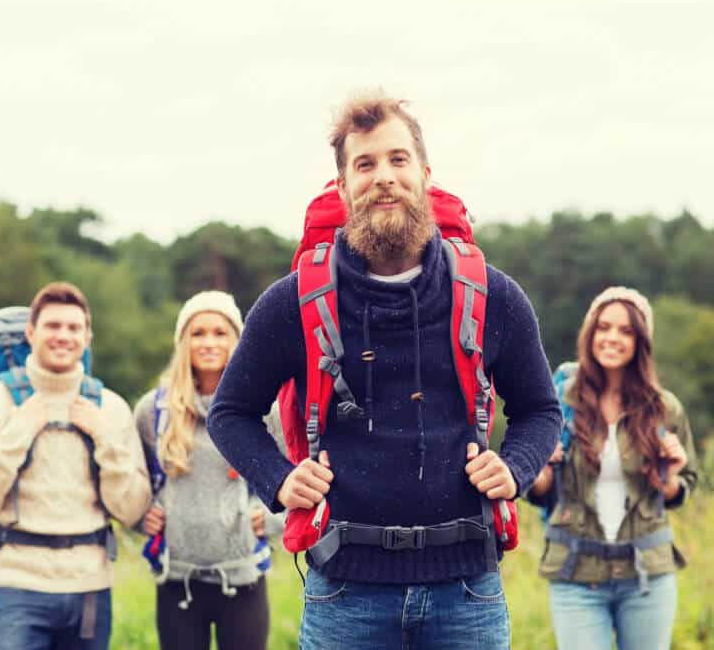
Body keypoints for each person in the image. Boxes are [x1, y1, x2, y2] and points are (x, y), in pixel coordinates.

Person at [207, 93, 562, 650]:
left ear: (424, 175)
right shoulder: (294, 301)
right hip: (344, 592)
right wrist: (278, 480)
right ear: (343, 187)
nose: (384, 178)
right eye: (365, 164)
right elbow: (229, 412)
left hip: (466, 590)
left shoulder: (493, 295)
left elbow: (541, 411)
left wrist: (515, 467)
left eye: (398, 160)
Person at [0, 281, 152, 649]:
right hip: (17, 587)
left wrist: (105, 440)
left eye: (74, 328)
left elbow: (133, 508)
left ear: (88, 337)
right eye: (53, 326)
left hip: (91, 588)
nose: (63, 336)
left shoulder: (110, 408)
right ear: (31, 332)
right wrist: (16, 436)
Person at [526, 287, 699, 650]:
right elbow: (540, 491)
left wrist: (669, 476)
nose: (612, 338)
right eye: (603, 327)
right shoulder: (558, 402)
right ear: (589, 333)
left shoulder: (665, 409)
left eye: (626, 331)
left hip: (647, 577)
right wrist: (540, 471)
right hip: (575, 574)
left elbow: (681, 487)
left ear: (642, 341)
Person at [135, 290, 283, 650]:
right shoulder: (152, 410)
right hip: (177, 581)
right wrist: (140, 516)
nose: (208, 342)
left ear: (237, 340)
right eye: (198, 333)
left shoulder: (265, 409)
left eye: (220, 332)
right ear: (183, 342)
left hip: (243, 576)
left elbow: (292, 473)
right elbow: (131, 478)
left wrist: (273, 518)